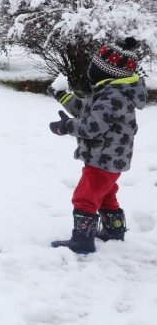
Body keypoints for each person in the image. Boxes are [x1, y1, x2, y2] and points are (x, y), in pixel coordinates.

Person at [47, 38, 147, 254]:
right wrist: (64, 97)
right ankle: (113, 231)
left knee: (84, 197)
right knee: (106, 195)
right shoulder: (111, 92)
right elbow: (89, 112)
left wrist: (65, 127)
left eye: (94, 67)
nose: (89, 70)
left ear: (108, 72)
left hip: (103, 159)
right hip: (110, 158)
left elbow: (92, 126)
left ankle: (82, 241)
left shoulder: (113, 96)